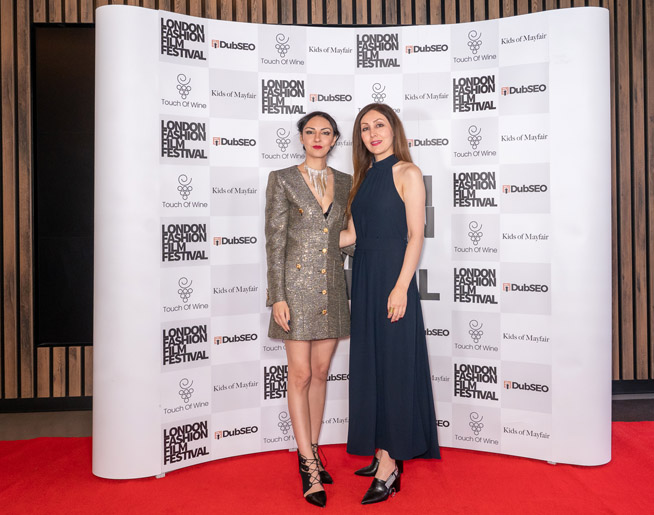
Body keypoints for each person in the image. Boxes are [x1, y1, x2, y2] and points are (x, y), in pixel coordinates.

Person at [340, 103, 440, 505]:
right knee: (373, 367)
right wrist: (309, 238)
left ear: (394, 129)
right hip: (365, 278)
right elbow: (351, 235)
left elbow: (416, 235)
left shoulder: (407, 172)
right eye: (365, 128)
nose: (373, 133)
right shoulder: (362, 177)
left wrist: (401, 288)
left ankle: (390, 465)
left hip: (392, 280)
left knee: (395, 369)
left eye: (379, 125)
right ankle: (382, 449)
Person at [265, 111, 351, 508]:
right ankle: (307, 466)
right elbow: (275, 241)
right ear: (301, 138)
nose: (318, 137)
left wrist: (361, 236)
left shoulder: (347, 182)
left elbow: (344, 236)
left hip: (331, 287)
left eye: (325, 132)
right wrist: (277, 296)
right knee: (299, 374)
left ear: (334, 140)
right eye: (310, 131)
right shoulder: (282, 178)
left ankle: (313, 448)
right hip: (295, 290)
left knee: (320, 372)